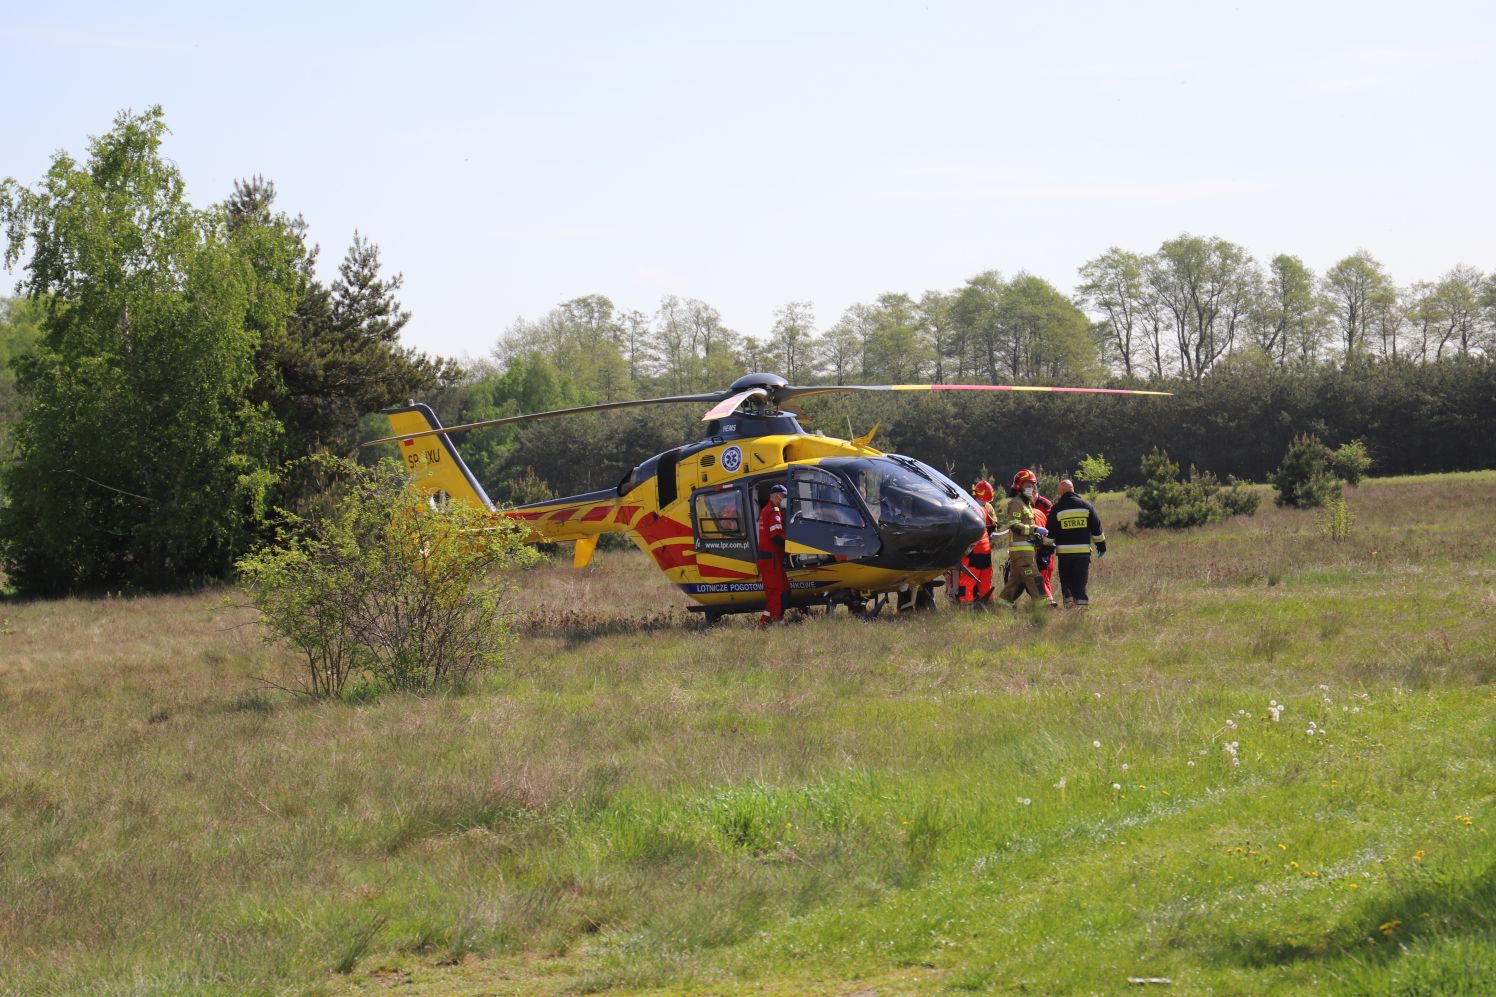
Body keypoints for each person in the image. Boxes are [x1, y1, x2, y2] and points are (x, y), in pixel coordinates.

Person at [1049, 478, 1107, 607]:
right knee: (1081, 582)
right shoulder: (1086, 506)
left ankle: (1069, 607)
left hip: (1064, 555)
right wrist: (1101, 546)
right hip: (1082, 554)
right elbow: (1097, 530)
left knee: (1066, 581)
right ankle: (1081, 609)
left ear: (1062, 491)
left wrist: (1046, 549)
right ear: (1072, 489)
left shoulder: (1057, 508)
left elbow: (1050, 533)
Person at [997, 469, 1051, 607]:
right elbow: (1014, 525)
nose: (1031, 488)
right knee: (1034, 577)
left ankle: (1002, 605)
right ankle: (1044, 607)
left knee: (1015, 581)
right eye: (1028, 485)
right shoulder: (1016, 503)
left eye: (1033, 485)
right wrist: (1035, 529)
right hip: (1021, 550)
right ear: (1019, 486)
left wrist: (1038, 535)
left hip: (1027, 548)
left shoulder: (1026, 504)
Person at [956, 480, 999, 602]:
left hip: (974, 551)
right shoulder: (982, 509)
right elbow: (992, 525)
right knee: (982, 581)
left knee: (969, 581)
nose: (984, 503)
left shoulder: (967, 508)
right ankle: (984, 603)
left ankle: (968, 604)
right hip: (982, 550)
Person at [757, 483, 790, 627]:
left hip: (769, 559)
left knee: (782, 591)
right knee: (779, 592)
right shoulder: (773, 511)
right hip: (772, 560)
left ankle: (764, 623)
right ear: (778, 495)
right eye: (784, 496)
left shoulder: (766, 510)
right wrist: (791, 544)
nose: (784, 499)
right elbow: (776, 536)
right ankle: (776, 622)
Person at [1032, 494, 1058, 607]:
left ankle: (1047, 602)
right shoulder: (1032, 507)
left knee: (1041, 577)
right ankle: (1047, 603)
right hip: (1041, 548)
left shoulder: (1045, 504)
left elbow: (1051, 526)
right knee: (1044, 578)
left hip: (1044, 548)